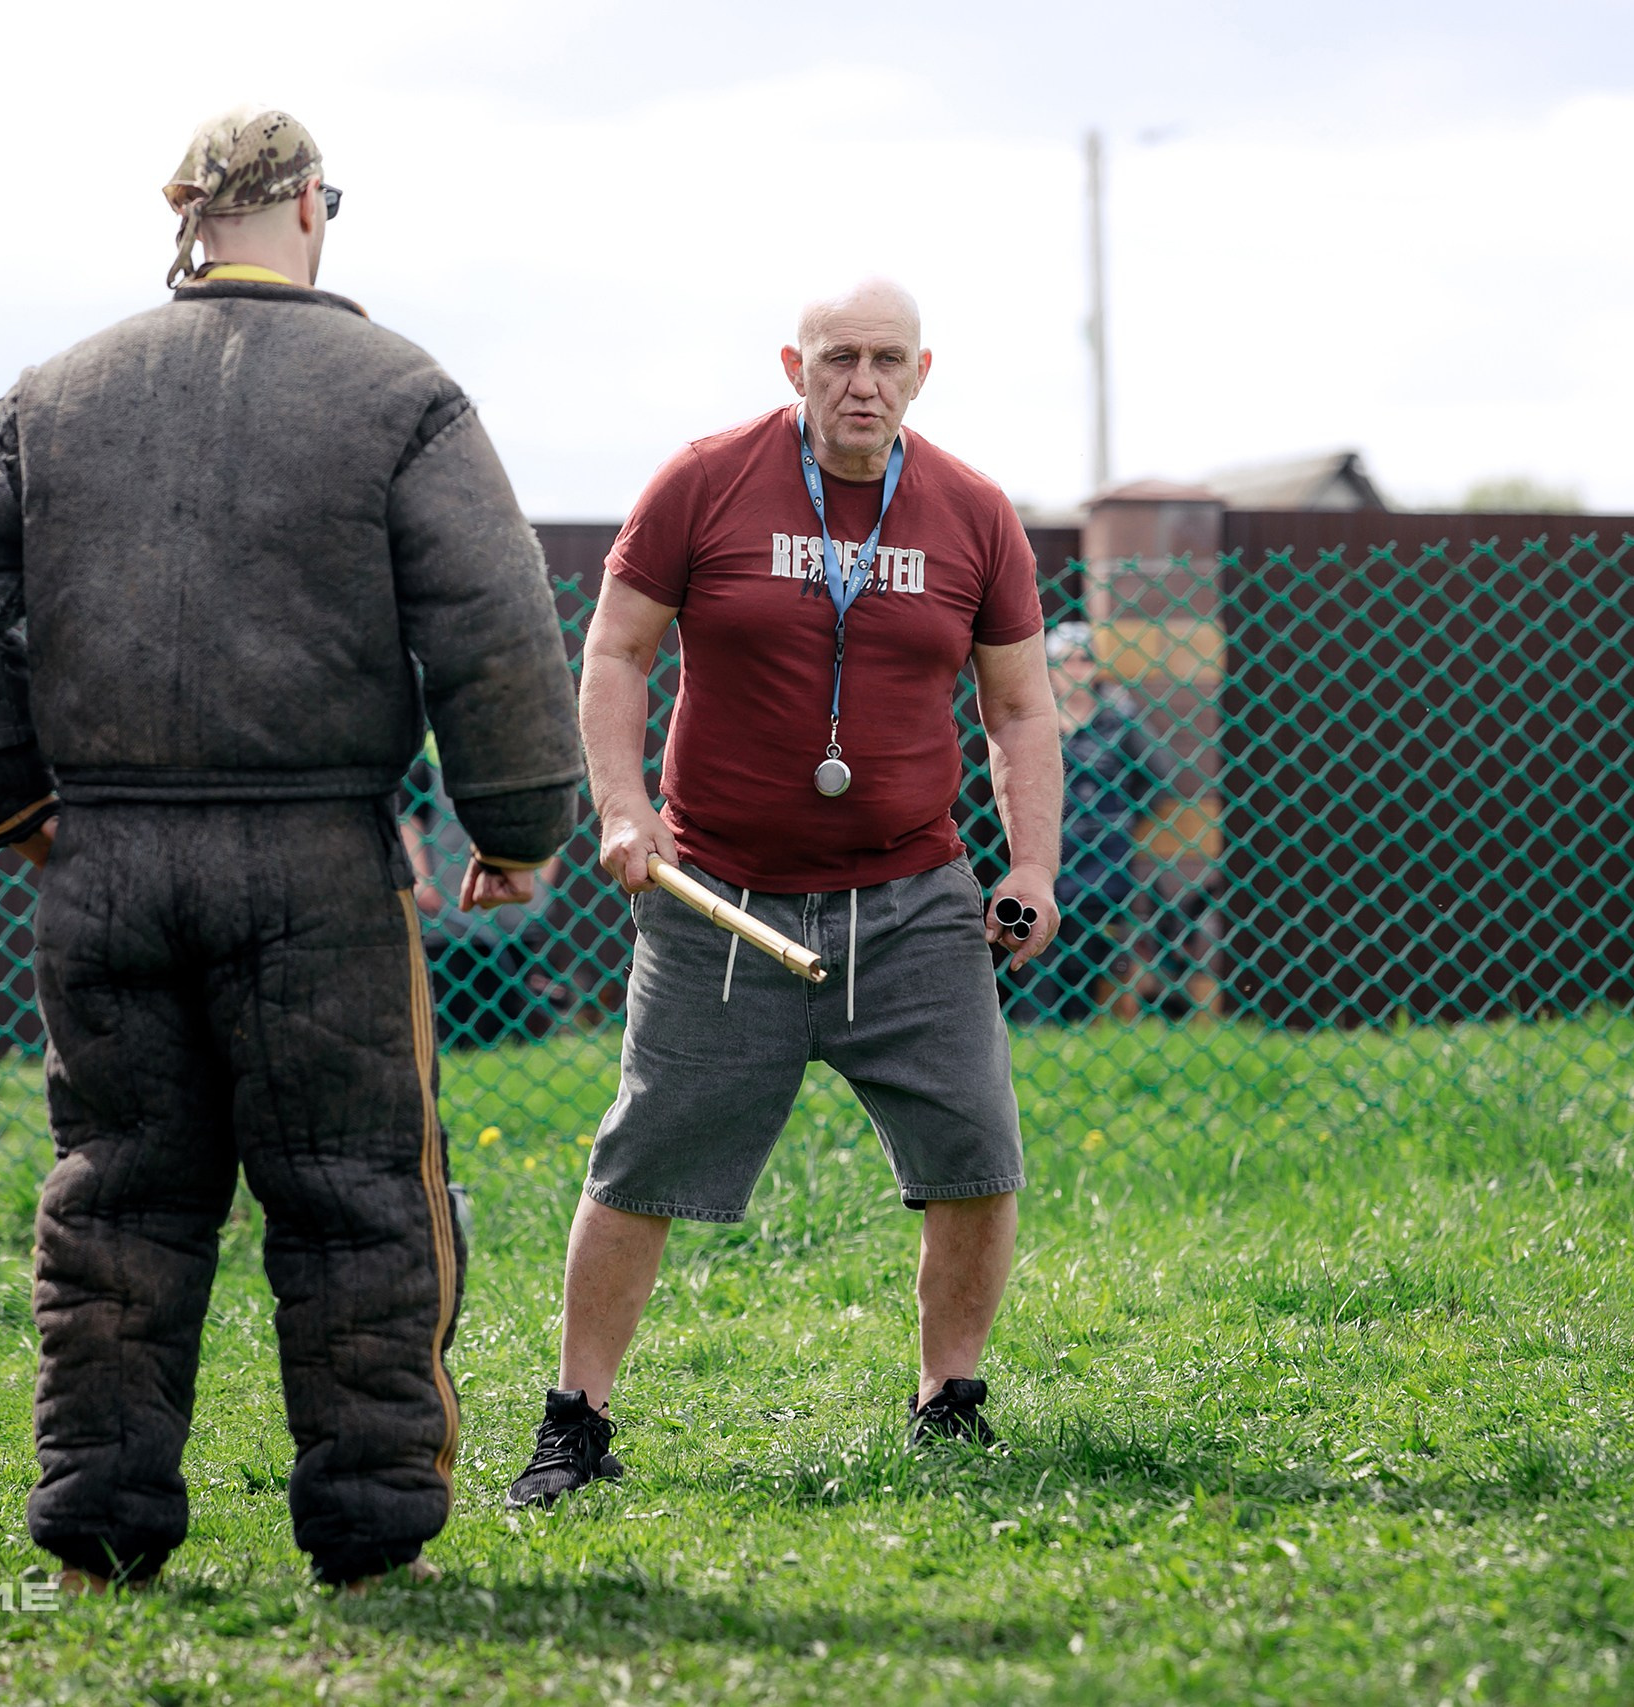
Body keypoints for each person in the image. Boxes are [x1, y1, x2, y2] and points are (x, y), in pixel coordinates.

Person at [0, 106, 583, 1593]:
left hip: (105, 861)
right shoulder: (401, 392)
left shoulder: (56, 392)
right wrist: (519, 824)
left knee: (119, 1191)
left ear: (185, 210)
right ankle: (370, 1531)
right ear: (320, 207)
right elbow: (498, 623)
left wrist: (8, 799)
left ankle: (99, 1526)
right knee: (355, 1190)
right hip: (319, 857)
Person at [505, 280, 1064, 1508]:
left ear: (924, 373)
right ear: (793, 365)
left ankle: (949, 1399)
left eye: (887, 360)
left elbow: (1018, 707)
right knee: (641, 1159)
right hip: (721, 898)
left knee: (976, 1152)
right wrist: (621, 807)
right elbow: (615, 650)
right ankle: (576, 1421)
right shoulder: (703, 484)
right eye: (838, 358)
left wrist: (1030, 867)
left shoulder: (972, 512)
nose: (861, 381)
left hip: (914, 898)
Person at [1030, 621, 1178, 1025]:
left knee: (1088, 949)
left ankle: (1077, 1025)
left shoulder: (1119, 718)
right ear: (1049, 667)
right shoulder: (1037, 716)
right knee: (1040, 946)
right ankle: (1040, 1027)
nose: (1076, 668)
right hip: (1047, 849)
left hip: (1102, 857)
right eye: (1065, 660)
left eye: (1085, 659)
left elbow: (1161, 779)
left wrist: (1121, 819)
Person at [401, 739, 566, 1050]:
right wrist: (421, 879)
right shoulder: (430, 755)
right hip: (450, 915)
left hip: (516, 915)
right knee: (453, 1014)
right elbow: (409, 814)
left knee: (514, 1004)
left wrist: (542, 879)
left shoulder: (532, 748)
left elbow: (555, 814)